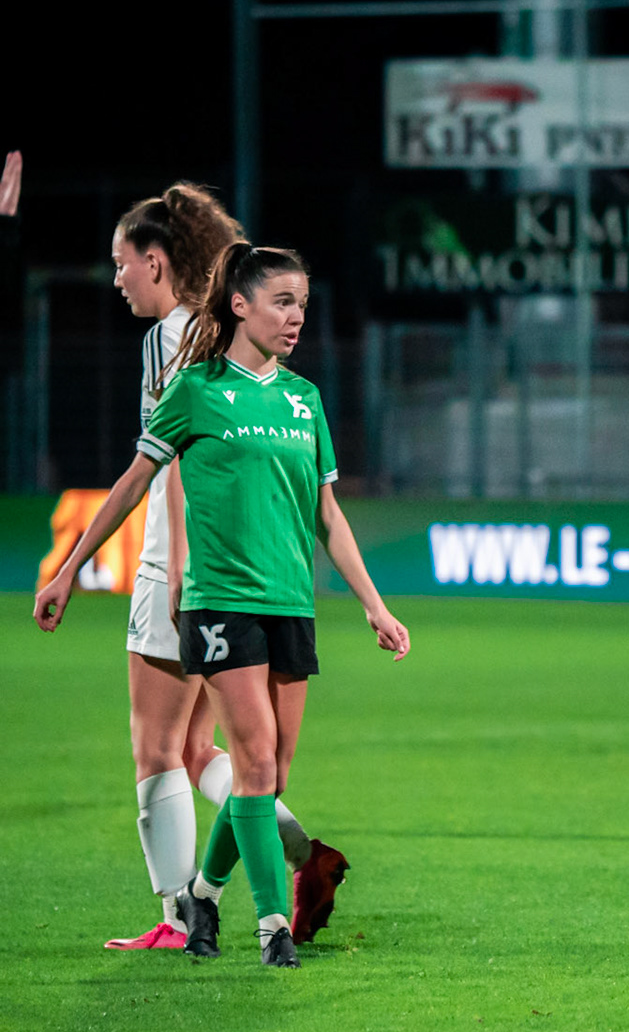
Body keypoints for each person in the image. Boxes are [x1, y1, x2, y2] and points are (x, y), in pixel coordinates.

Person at [34, 243, 410, 968]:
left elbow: (327, 515)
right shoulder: (197, 389)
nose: (296, 317)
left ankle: (202, 894)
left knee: (270, 775)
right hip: (218, 605)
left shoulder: (305, 399)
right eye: (282, 302)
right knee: (256, 764)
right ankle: (272, 928)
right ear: (239, 304)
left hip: (288, 604)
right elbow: (135, 483)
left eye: (301, 303)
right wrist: (68, 571)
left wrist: (374, 605)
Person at [100, 184, 346, 953]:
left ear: (157, 260)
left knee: (161, 749)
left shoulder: (174, 345)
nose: (117, 280)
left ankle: (184, 911)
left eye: (122, 264)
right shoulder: (217, 340)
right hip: (251, 570)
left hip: (194, 565)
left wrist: (168, 571)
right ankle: (279, 862)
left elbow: (164, 468)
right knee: (229, 751)